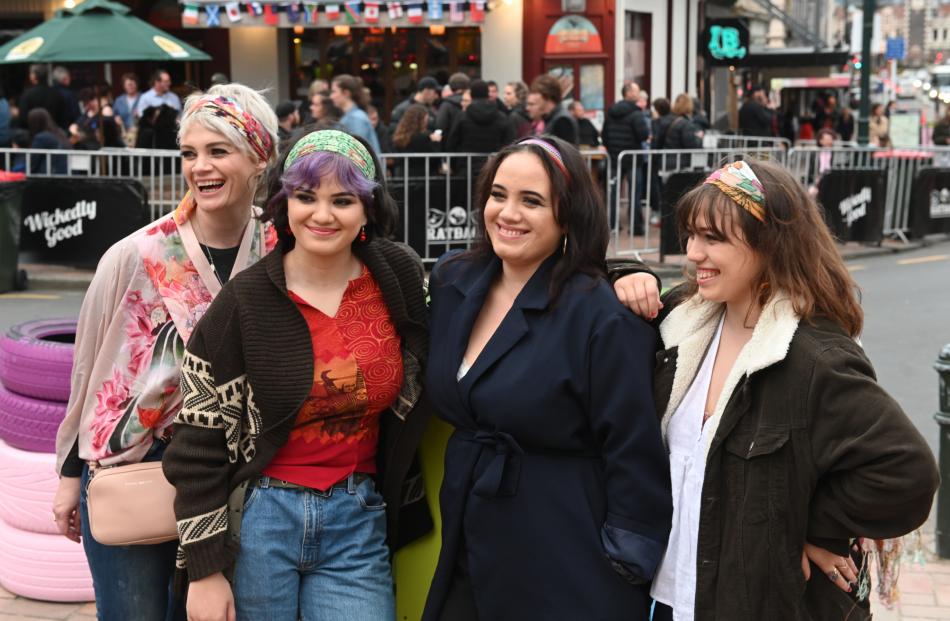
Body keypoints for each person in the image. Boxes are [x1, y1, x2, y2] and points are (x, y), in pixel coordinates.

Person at [614, 159, 938, 621]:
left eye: (714, 238)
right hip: (666, 598)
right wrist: (623, 271)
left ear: (771, 244)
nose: (692, 253)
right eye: (691, 235)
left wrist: (809, 528)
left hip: (760, 604)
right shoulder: (682, 320)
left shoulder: (813, 356)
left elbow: (907, 473)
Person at [162, 128, 433, 621]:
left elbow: (489, 289)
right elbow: (196, 441)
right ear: (285, 203)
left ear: (367, 208)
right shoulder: (243, 303)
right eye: (306, 197)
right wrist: (204, 570)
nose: (323, 215)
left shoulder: (400, 277)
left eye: (343, 200)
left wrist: (616, 282)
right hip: (261, 520)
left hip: (360, 518)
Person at [52, 83, 280, 621]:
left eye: (218, 151)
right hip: (132, 467)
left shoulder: (280, 252)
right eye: (190, 153)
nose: (200, 167)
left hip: (231, 477)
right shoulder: (134, 255)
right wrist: (66, 478)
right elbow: (84, 374)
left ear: (259, 157)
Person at [421, 136, 673, 620]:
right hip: (469, 534)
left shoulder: (603, 316)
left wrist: (625, 560)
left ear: (568, 214)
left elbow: (633, 449)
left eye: (531, 200)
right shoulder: (454, 280)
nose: (508, 213)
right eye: (498, 195)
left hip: (566, 548)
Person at [445, 79, 513, 154]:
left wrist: (456, 163)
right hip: (492, 162)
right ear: (487, 93)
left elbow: (452, 142)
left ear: (471, 94)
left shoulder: (462, 116)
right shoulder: (501, 116)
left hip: (467, 163)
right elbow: (509, 140)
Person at [330, 74, 381, 154]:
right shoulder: (353, 116)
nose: (331, 96)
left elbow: (358, 152)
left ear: (346, 93)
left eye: (334, 92)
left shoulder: (355, 118)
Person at [526, 74, 579, 145]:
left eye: (532, 104)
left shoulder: (562, 120)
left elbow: (565, 152)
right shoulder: (551, 118)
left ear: (547, 98)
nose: (527, 108)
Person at [18, 64, 67, 130]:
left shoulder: (27, 95)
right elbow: (63, 118)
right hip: (54, 133)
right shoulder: (57, 94)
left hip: (34, 134)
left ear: (33, 76)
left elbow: (23, 119)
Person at [26, 108, 70, 175]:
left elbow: (33, 162)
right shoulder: (60, 133)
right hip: (66, 173)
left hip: (50, 176)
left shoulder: (41, 138)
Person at [113, 72, 142, 144]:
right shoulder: (119, 100)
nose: (131, 87)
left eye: (133, 84)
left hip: (140, 135)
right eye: (128, 85)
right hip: (124, 136)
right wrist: (116, 118)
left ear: (137, 84)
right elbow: (114, 114)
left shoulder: (143, 98)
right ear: (124, 86)